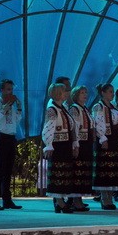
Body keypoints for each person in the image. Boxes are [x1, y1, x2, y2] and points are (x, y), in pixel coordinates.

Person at [42, 82, 81, 213]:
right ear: (58, 93)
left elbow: (72, 127)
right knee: (58, 173)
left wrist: (74, 143)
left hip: (65, 144)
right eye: (64, 91)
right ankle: (59, 202)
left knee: (65, 173)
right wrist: (48, 145)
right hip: (58, 146)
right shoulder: (52, 109)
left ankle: (61, 201)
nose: (66, 94)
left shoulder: (63, 108)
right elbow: (48, 128)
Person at [0, 79, 23, 211]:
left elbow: (15, 122)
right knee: (0, 170)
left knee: (8, 170)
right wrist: (3, 110)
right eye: (8, 89)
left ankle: (7, 200)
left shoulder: (11, 106)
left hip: (11, 138)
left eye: (11, 90)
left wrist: (18, 108)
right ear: (1, 90)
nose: (10, 92)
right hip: (2, 138)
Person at [91, 83, 118, 210]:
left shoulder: (113, 106)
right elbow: (98, 123)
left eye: (113, 91)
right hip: (105, 140)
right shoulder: (98, 107)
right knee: (105, 169)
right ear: (103, 93)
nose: (113, 94)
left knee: (113, 170)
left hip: (115, 139)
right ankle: (104, 198)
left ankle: (110, 196)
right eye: (110, 91)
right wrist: (103, 138)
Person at [67, 85, 94, 212]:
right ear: (76, 95)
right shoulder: (74, 109)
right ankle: (75, 200)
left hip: (87, 142)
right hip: (80, 142)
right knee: (78, 171)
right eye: (82, 93)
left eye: (85, 92)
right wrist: (75, 144)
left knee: (84, 171)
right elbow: (75, 128)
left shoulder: (85, 109)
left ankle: (80, 199)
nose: (85, 95)